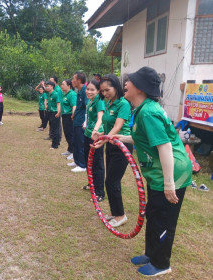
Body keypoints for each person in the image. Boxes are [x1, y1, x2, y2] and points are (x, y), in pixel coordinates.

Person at [117, 67, 192, 276]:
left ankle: (161, 263)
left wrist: (169, 184)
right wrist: (117, 138)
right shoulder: (143, 109)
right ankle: (151, 254)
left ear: (140, 88)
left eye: (130, 81)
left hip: (172, 173)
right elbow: (143, 139)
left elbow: (165, 147)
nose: (126, 83)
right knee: (153, 213)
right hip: (159, 172)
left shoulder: (148, 112)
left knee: (163, 219)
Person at [93, 74, 133, 227]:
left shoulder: (123, 104)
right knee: (110, 180)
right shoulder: (109, 104)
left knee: (112, 181)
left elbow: (117, 127)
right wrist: (101, 135)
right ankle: (115, 212)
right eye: (102, 91)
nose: (105, 93)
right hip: (111, 144)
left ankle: (121, 215)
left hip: (122, 146)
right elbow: (109, 127)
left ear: (116, 87)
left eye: (107, 90)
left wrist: (103, 140)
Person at [79, 80, 106, 201]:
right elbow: (89, 116)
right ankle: (92, 184)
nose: (88, 92)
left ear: (98, 91)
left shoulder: (99, 101)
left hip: (96, 136)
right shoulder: (90, 101)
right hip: (87, 133)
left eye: (92, 90)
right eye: (87, 89)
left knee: (97, 164)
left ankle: (100, 192)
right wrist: (86, 123)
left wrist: (95, 130)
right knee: (88, 161)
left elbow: (100, 118)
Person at [69, 72, 88, 165]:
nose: (72, 81)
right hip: (76, 120)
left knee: (81, 143)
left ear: (79, 80)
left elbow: (87, 107)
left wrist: (85, 122)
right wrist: (74, 114)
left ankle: (82, 164)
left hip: (81, 122)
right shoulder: (79, 91)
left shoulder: (85, 91)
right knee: (75, 142)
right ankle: (76, 161)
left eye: (73, 79)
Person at [60, 79, 77, 156]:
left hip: (69, 116)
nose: (61, 86)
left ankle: (73, 152)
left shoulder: (72, 94)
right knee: (67, 133)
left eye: (63, 84)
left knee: (71, 134)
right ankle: (69, 150)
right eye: (61, 84)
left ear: (69, 86)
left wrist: (73, 115)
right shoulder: (65, 94)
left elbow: (74, 105)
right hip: (64, 116)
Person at [46, 81, 61, 149]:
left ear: (52, 87)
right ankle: (56, 142)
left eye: (48, 86)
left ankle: (55, 145)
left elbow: (58, 103)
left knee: (55, 129)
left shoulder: (55, 94)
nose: (47, 87)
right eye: (47, 86)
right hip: (50, 112)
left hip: (55, 113)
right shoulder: (49, 94)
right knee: (52, 128)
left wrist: (58, 112)